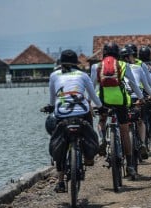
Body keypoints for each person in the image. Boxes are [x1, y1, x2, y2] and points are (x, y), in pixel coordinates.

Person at [48, 49, 104, 192]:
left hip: (61, 114)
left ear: (61, 62)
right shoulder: (83, 75)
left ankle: (60, 182)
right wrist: (101, 107)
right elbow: (93, 96)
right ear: (76, 63)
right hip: (82, 112)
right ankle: (88, 157)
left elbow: (52, 100)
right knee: (88, 126)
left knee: (60, 141)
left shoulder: (54, 75)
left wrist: (51, 107)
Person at [90, 42, 145, 177]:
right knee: (125, 131)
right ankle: (130, 165)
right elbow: (133, 84)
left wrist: (91, 103)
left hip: (103, 100)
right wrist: (141, 97)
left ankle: (102, 138)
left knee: (102, 120)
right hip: (120, 101)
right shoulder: (123, 65)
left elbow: (92, 87)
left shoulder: (96, 66)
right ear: (118, 54)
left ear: (104, 53)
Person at [120, 46, 151, 159]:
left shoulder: (117, 67)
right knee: (140, 121)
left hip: (122, 99)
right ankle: (142, 143)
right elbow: (145, 84)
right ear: (130, 57)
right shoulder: (137, 67)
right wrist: (150, 96)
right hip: (136, 97)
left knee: (121, 124)